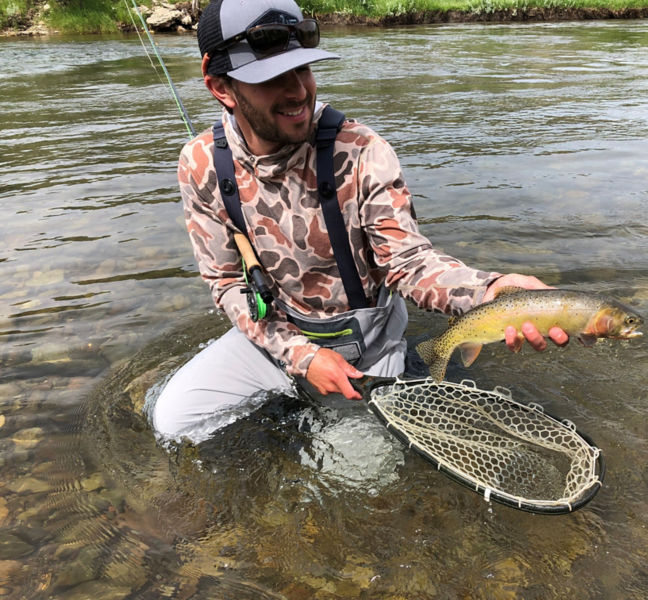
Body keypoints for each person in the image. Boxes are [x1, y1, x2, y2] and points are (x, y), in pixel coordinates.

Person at [150, 0, 568, 442]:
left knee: (360, 479)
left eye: (303, 70)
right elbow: (226, 284)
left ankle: (397, 370)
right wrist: (302, 357)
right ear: (220, 86)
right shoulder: (200, 163)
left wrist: (487, 292)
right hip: (277, 338)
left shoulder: (362, 150)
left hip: (365, 348)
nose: (298, 92)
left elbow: (408, 262)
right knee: (173, 422)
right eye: (273, 78)